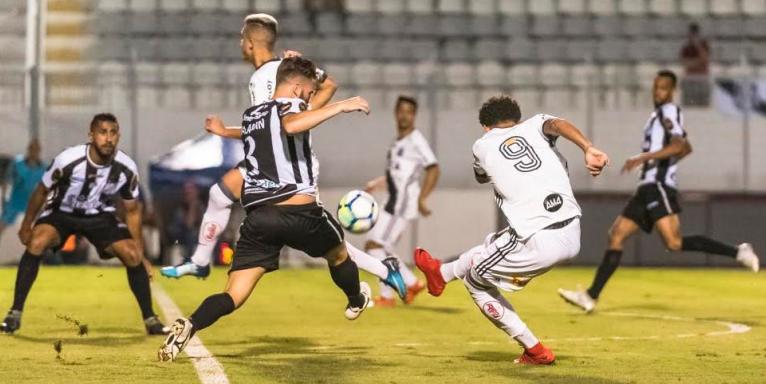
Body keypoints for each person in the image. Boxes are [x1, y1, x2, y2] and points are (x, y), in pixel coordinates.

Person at [159, 13, 408, 300]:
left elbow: (316, 96)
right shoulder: (267, 74)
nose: (240, 44)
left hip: (288, 165)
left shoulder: (271, 73)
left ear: (250, 43)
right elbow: (263, 125)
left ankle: (384, 269)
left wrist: (319, 92)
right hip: (272, 161)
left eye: (242, 39)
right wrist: (224, 131)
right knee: (221, 194)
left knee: (323, 238)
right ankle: (201, 262)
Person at [159, 57, 373, 361]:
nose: (312, 98)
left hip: (260, 218)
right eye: (310, 93)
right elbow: (290, 123)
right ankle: (355, 299)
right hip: (300, 213)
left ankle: (190, 324)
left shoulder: (251, 115)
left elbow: (263, 129)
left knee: (233, 294)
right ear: (297, 89)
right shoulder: (294, 108)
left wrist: (223, 130)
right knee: (339, 254)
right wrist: (341, 106)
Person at [414, 95, 610, 365]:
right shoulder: (537, 124)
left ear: (486, 126)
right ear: (516, 118)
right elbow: (559, 124)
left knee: (475, 280)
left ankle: (534, 350)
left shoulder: (482, 145)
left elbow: (480, 176)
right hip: (571, 228)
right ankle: (441, 273)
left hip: (537, 239)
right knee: (493, 244)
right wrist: (588, 147)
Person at [558, 70, 759, 314]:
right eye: (656, 87)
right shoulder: (657, 116)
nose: (657, 92)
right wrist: (663, 159)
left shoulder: (669, 112)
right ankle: (590, 296)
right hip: (647, 187)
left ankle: (738, 251)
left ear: (671, 91)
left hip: (658, 186)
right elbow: (685, 148)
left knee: (673, 242)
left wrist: (646, 158)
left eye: (663, 88)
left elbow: (679, 145)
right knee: (616, 235)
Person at [0, 113, 168, 335]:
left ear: (118, 136)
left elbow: (132, 209)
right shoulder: (67, 160)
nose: (108, 138)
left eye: (113, 132)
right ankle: (14, 314)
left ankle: (150, 320)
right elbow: (42, 190)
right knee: (37, 242)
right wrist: (26, 225)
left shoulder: (126, 167)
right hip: (61, 212)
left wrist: (141, 252)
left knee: (132, 255)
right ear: (91, 135)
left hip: (100, 216)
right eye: (102, 132)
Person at [362, 96, 439, 307]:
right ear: (396, 113)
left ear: (414, 115)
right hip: (392, 200)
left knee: (375, 246)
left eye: (409, 112)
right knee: (378, 247)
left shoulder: (416, 140)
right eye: (401, 111)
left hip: (402, 203)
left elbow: (433, 167)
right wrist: (377, 183)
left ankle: (406, 285)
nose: (405, 115)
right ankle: (400, 289)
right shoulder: (398, 142)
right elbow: (397, 175)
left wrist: (423, 198)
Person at [0, 139, 45, 243]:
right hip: (15, 200)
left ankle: (45, 255)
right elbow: (7, 181)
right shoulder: (18, 164)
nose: (34, 152)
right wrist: (4, 199)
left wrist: (44, 203)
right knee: (2, 225)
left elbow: (46, 187)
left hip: (32, 202)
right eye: (32, 149)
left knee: (42, 228)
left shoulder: (43, 168)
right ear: (28, 150)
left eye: (36, 150)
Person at [679, 23, 711, 106]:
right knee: (689, 104)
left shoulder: (703, 45)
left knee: (702, 104)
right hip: (689, 77)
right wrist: (698, 62)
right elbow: (684, 62)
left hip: (702, 77)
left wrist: (697, 45)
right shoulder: (686, 47)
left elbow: (705, 59)